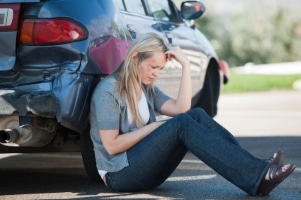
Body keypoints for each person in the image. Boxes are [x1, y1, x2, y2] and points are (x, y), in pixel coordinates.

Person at [89, 32, 295, 196]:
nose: (156, 73)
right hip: (120, 175)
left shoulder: (146, 87)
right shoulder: (109, 91)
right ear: (134, 58)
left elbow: (181, 109)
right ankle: (258, 174)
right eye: (153, 67)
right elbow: (112, 145)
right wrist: (154, 127)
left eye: (160, 69)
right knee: (181, 124)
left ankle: (256, 172)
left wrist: (186, 65)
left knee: (195, 115)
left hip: (145, 170)